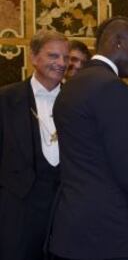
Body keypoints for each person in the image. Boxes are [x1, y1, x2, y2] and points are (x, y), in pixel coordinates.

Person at [49, 16, 128, 260]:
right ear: (118, 42)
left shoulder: (70, 87)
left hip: (69, 231)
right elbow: (126, 166)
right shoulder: (111, 87)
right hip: (108, 233)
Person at [0, 30, 69, 260]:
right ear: (33, 57)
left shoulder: (77, 101)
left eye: (65, 58)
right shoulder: (6, 99)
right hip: (19, 210)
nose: (61, 63)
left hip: (67, 208)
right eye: (53, 56)